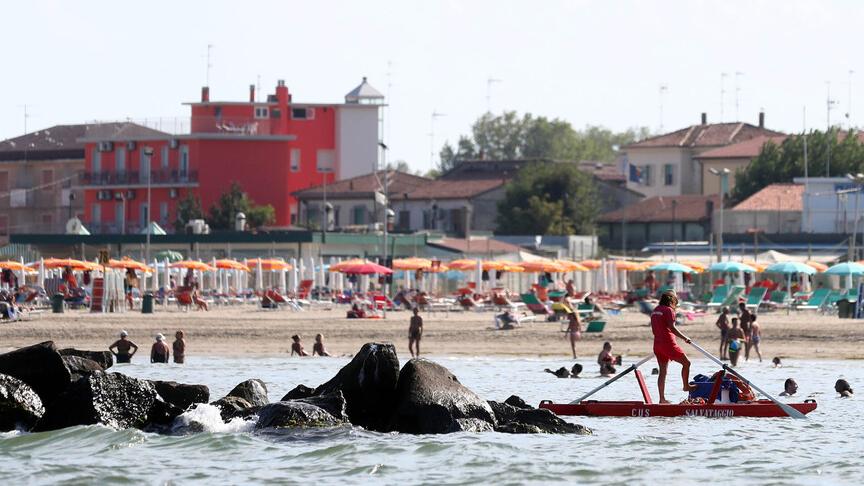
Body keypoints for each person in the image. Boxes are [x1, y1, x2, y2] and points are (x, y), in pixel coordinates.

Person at [650, 291, 696, 403]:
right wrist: (685, 338)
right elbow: (672, 328)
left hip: (657, 344)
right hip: (668, 343)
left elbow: (654, 329)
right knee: (686, 363)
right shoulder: (668, 310)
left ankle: (662, 399)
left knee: (662, 371)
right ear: (671, 301)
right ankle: (686, 386)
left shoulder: (655, 310)